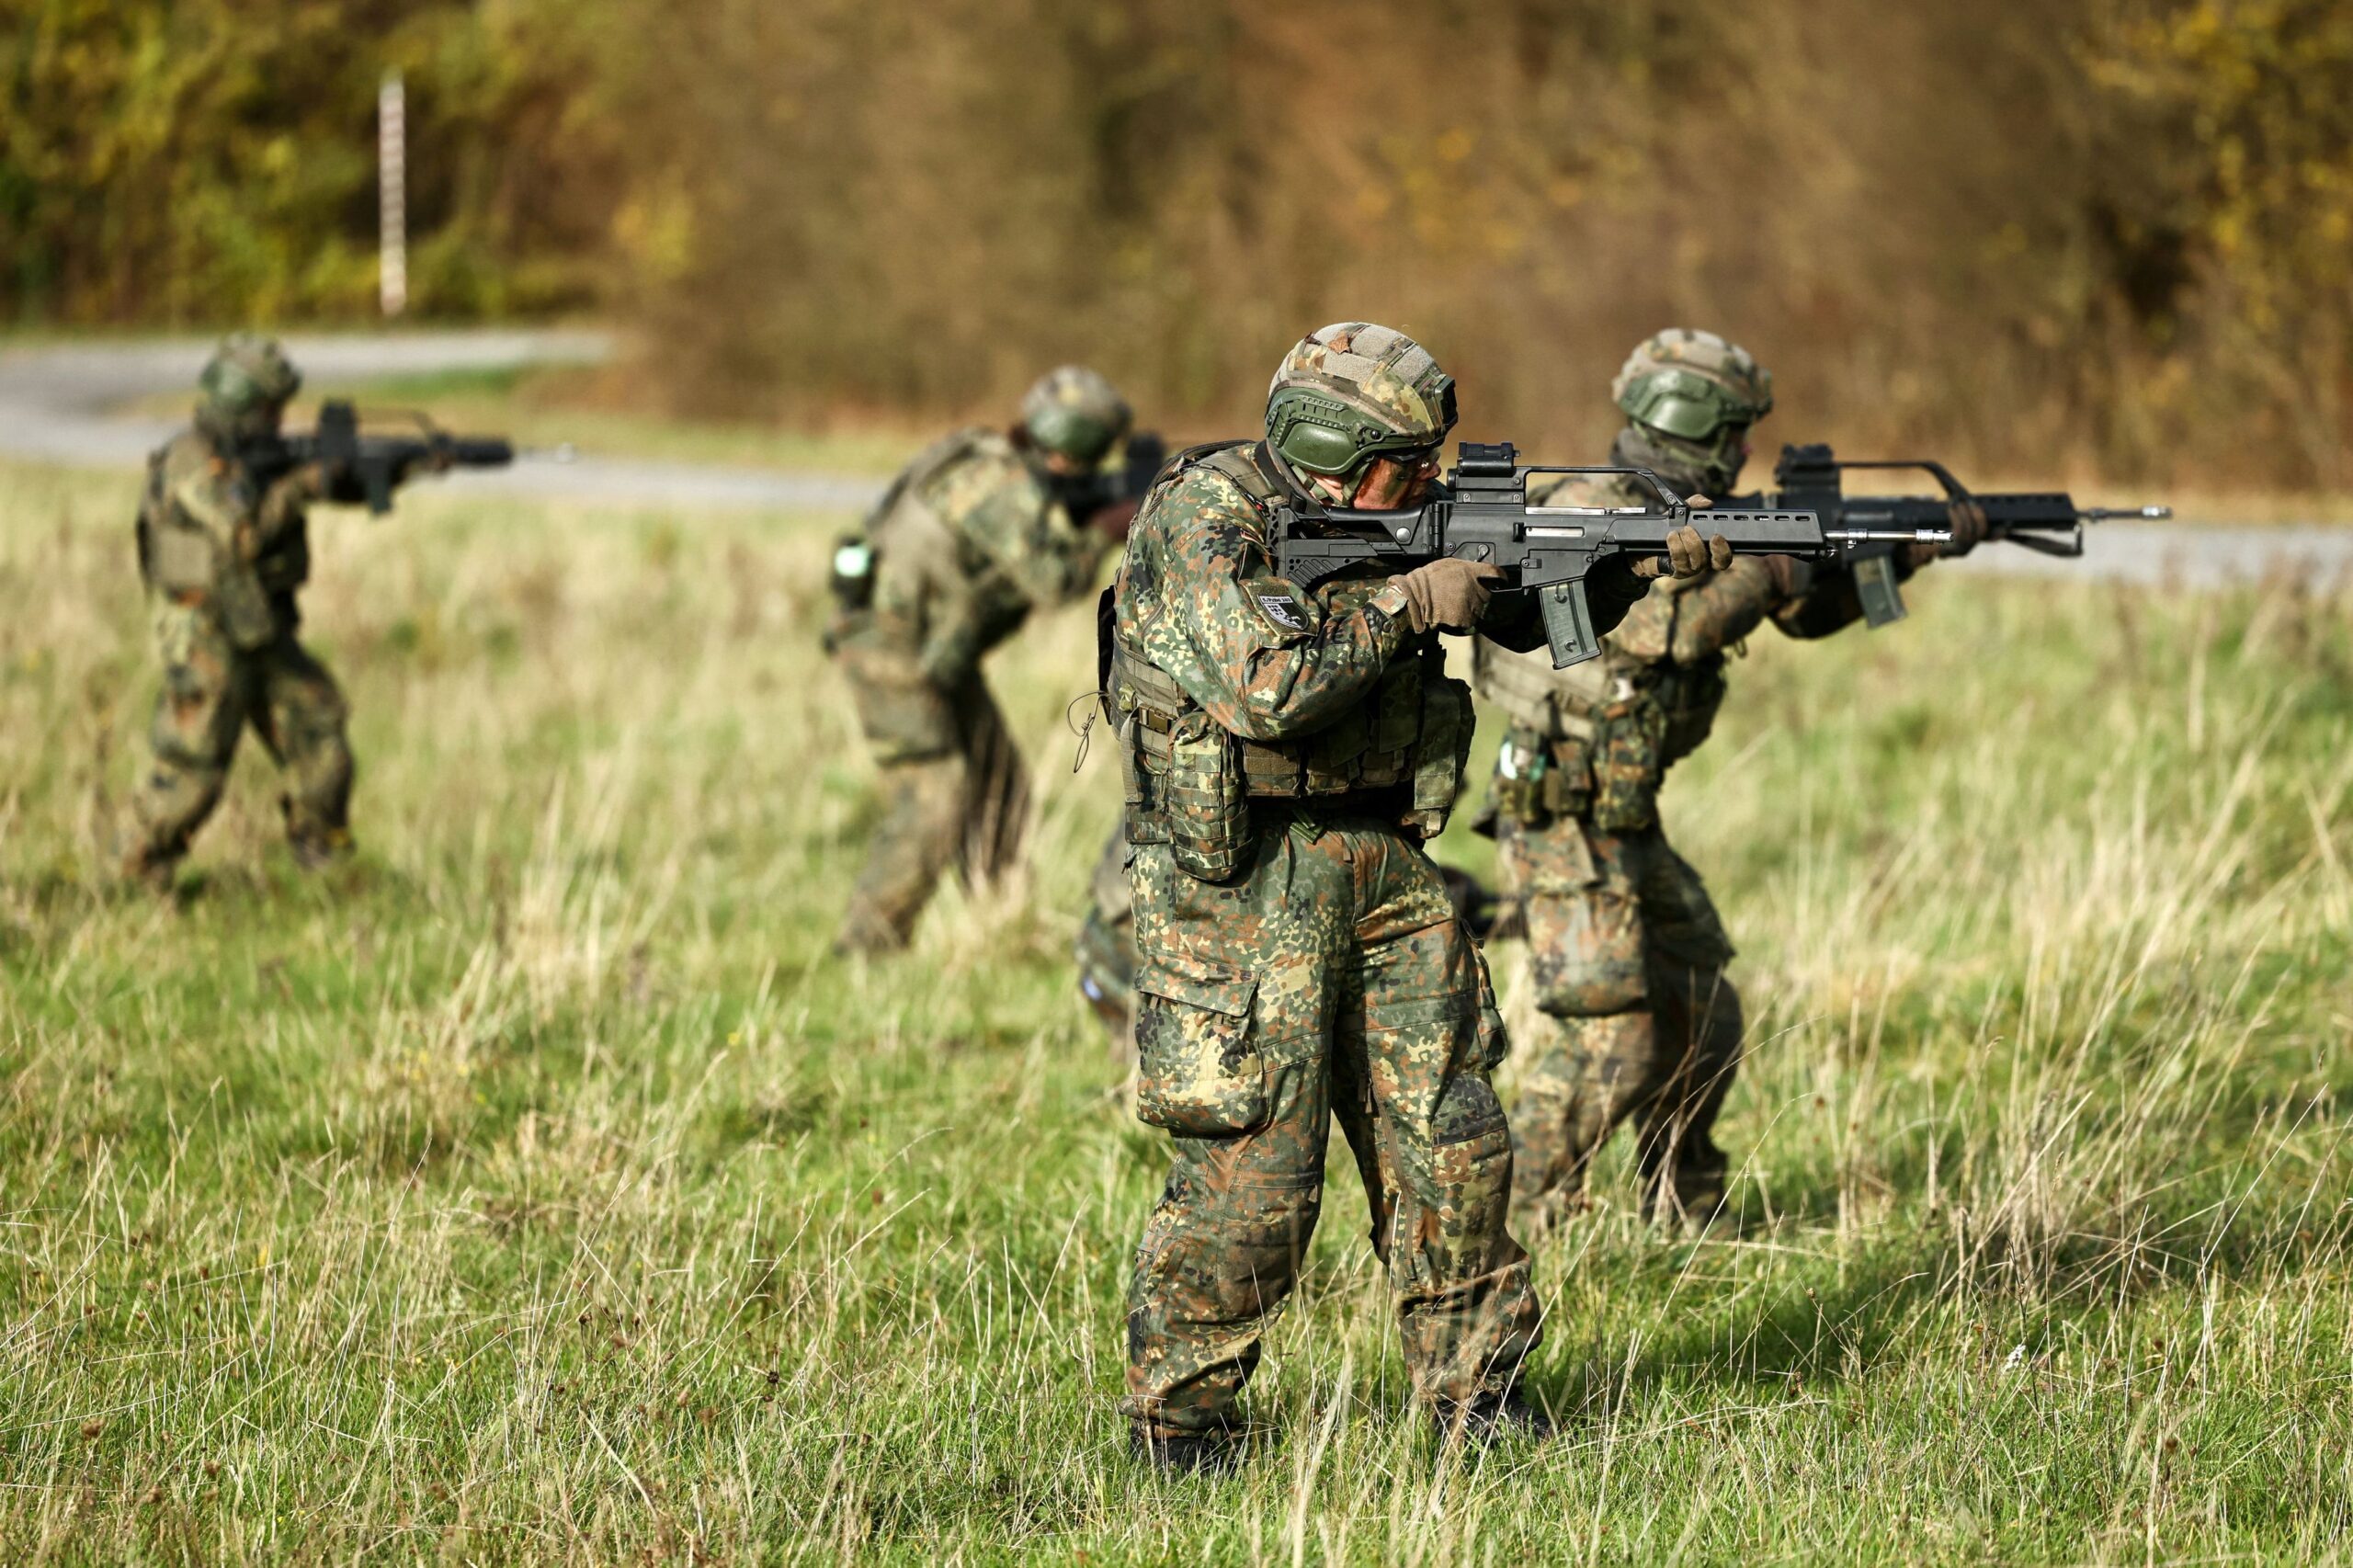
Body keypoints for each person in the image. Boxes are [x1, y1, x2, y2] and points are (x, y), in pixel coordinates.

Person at [1108, 321, 1726, 1471]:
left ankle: (1476, 1394)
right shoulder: (1205, 517)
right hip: (1242, 880)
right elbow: (1264, 685)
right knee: (1258, 1170)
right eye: (1404, 467)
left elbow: (1514, 612)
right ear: (1330, 450)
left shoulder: (1395, 515)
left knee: (1451, 1137)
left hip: (1386, 860)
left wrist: (1627, 561)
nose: (1428, 483)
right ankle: (1179, 1422)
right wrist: (1406, 604)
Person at [1473, 327, 1984, 1233]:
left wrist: (1902, 549)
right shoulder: (1594, 503)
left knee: (1703, 1008)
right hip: (1554, 810)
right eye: (1739, 429)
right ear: (1694, 420)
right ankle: (1501, 1226)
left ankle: (1684, 1209)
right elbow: (1655, 629)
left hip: (1621, 814)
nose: (1750, 449)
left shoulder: (1697, 507)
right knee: (1613, 1039)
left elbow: (1795, 609)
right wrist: (1775, 559)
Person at [826, 367, 1137, 953]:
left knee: (997, 782)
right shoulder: (994, 482)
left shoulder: (989, 461)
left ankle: (1000, 925)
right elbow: (1055, 579)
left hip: (932, 648)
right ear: (1074, 452)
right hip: (891, 645)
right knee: (936, 793)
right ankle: (868, 946)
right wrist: (1106, 528)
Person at [119, 334, 357, 890]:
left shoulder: (247, 458)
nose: (279, 421)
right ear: (243, 405)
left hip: (256, 624)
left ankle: (321, 857)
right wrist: (303, 485)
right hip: (205, 633)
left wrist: (363, 474)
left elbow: (283, 493)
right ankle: (131, 876)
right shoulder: (193, 462)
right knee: (193, 767)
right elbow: (243, 534)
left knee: (319, 726)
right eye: (271, 410)